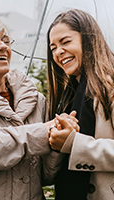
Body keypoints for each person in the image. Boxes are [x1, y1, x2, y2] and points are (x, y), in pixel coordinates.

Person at [0, 16, 79, 200]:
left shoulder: (36, 100)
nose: (3, 46)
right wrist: (42, 131)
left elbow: (45, 175)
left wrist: (58, 140)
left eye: (6, 40)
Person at [47, 8, 114, 200]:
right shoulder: (68, 96)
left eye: (65, 42)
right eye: (53, 48)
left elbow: (74, 146)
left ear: (89, 39)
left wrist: (73, 143)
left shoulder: (110, 85)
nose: (59, 52)